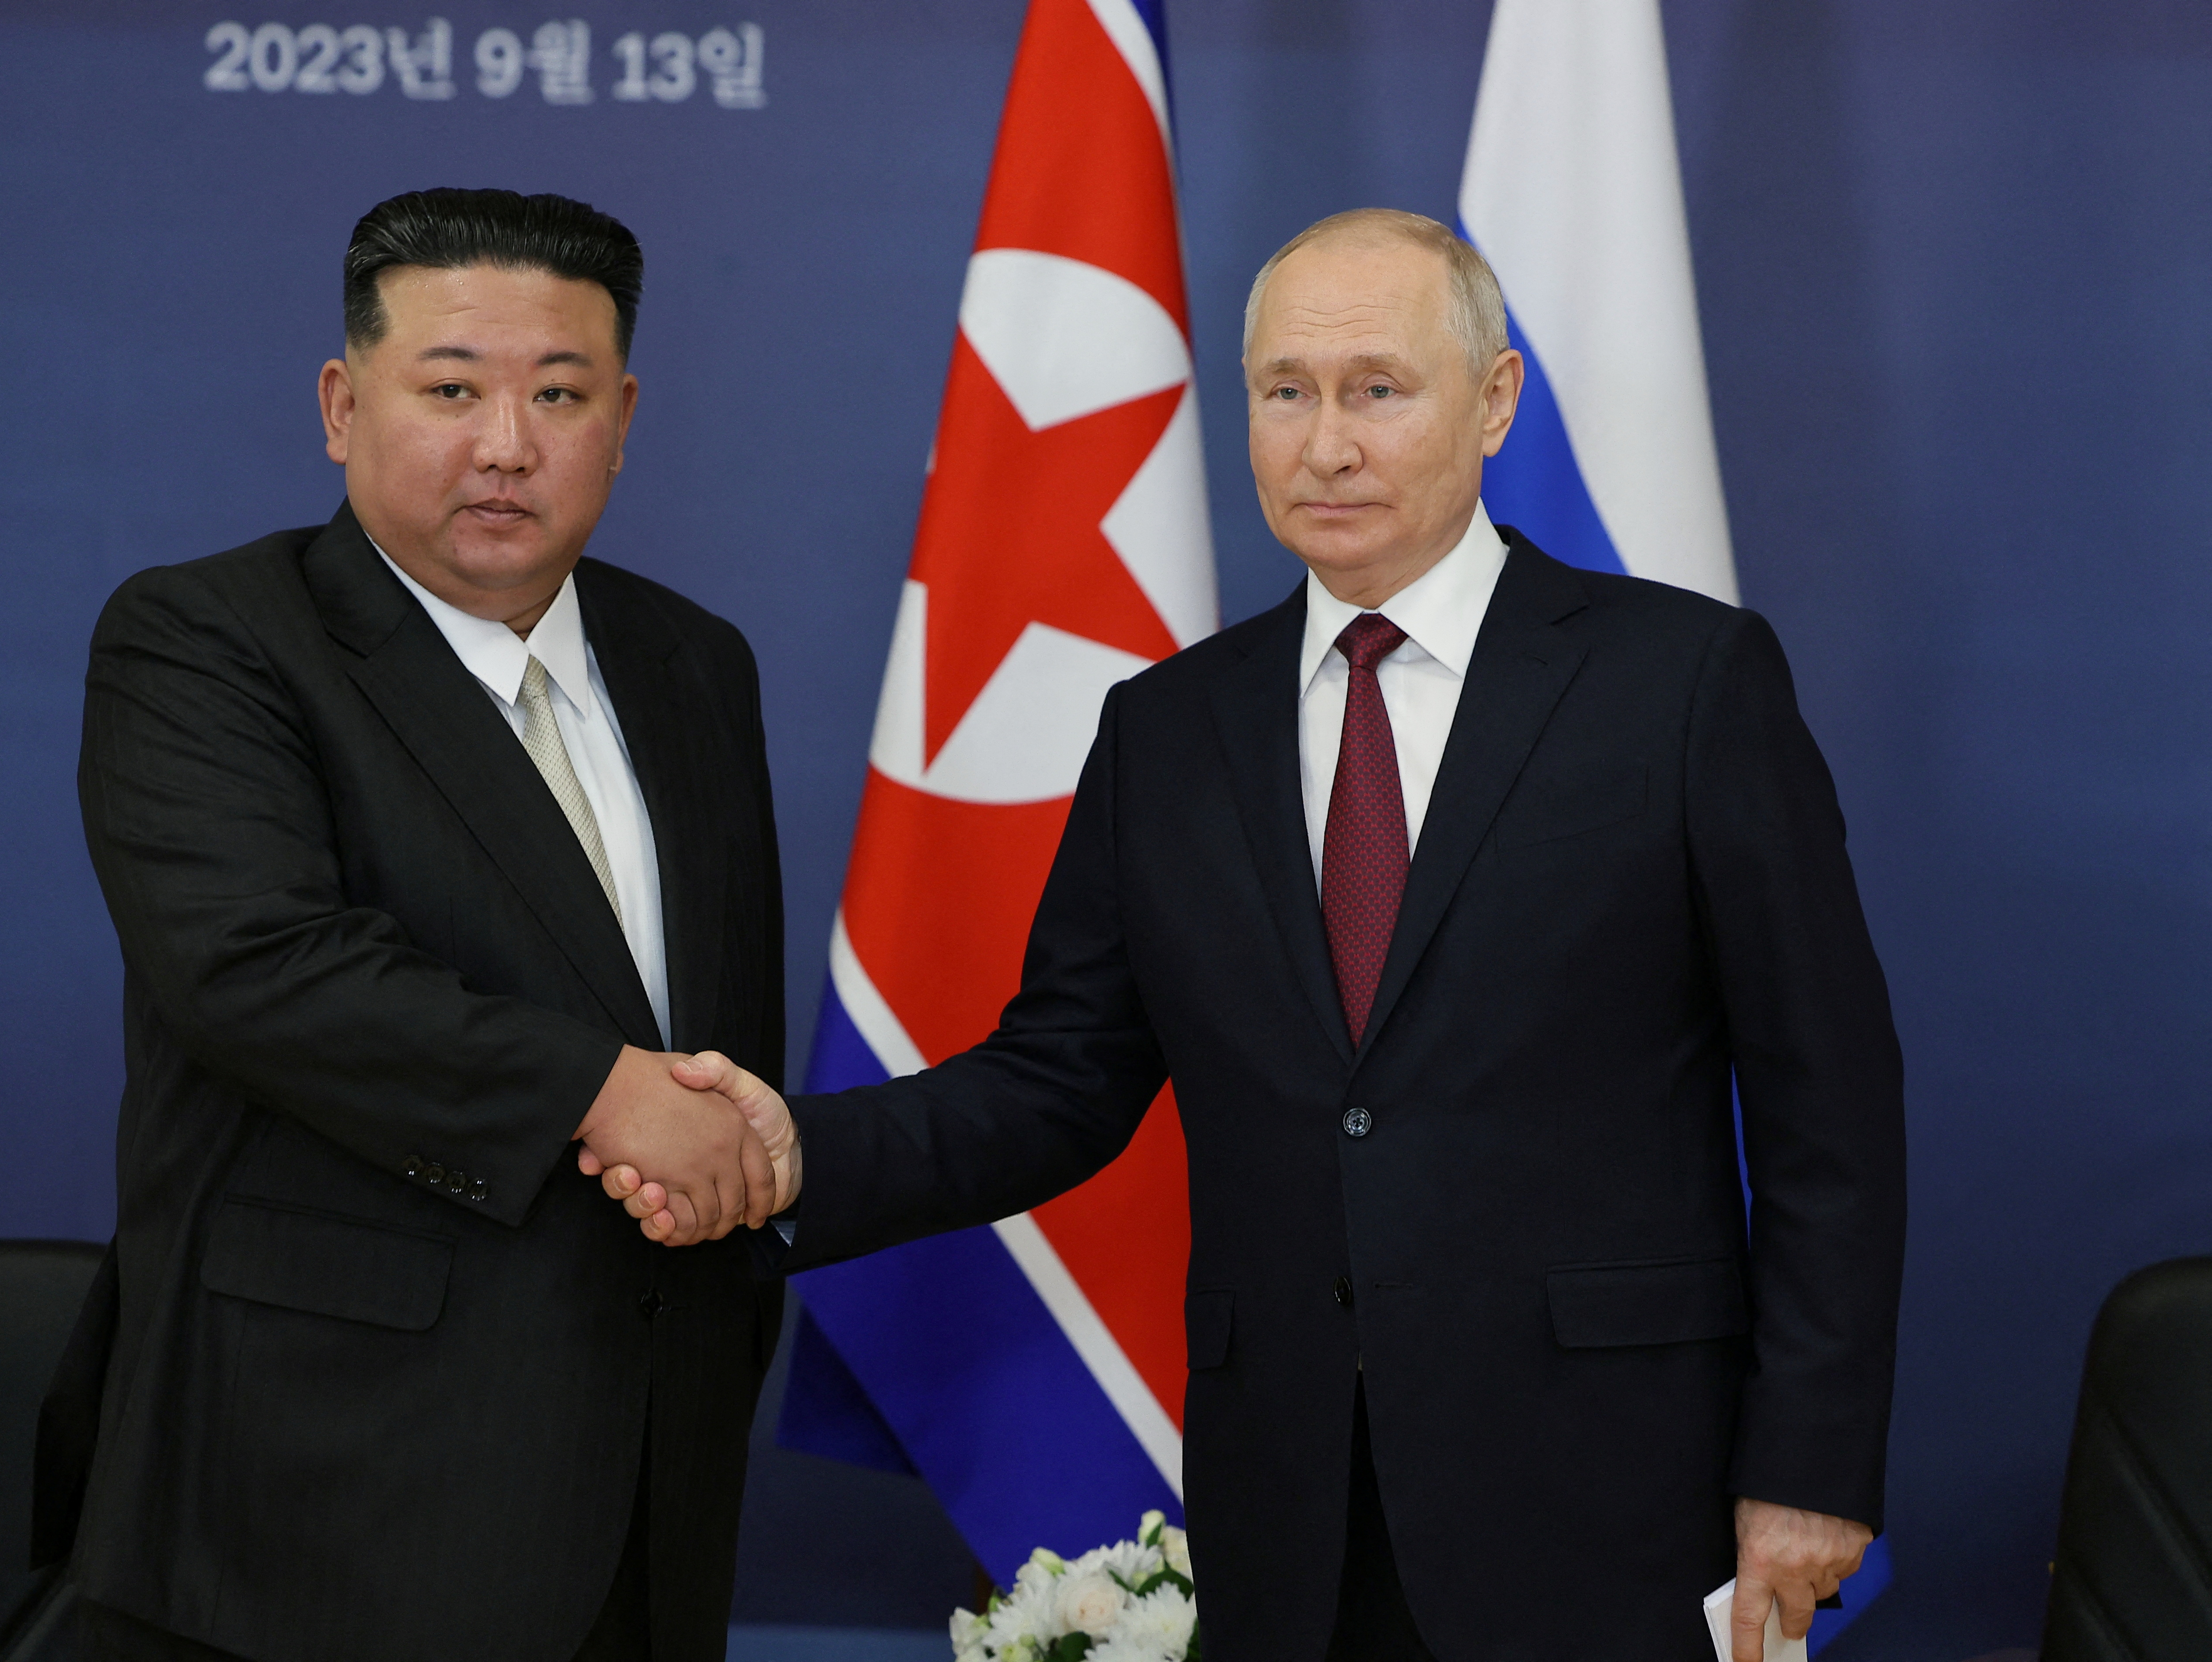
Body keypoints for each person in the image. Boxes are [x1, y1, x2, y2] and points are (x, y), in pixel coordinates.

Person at [596, 210, 1906, 1662]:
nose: (1325, 442)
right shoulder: (1168, 727)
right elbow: (1059, 1078)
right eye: (1286, 391)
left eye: (1377, 389)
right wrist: (797, 1152)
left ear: (1494, 401)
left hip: (1610, 1494)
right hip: (1290, 1507)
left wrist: (1809, 1462)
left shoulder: (1683, 680)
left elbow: (1827, 1103)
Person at [52, 188, 786, 1662]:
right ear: (342, 403)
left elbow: (710, 1040)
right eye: (451, 388)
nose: (508, 442)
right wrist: (607, 1092)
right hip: (324, 1499)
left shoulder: (694, 661)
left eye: (560, 393)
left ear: (624, 417)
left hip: (651, 1488)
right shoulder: (209, 637)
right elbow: (262, 972)